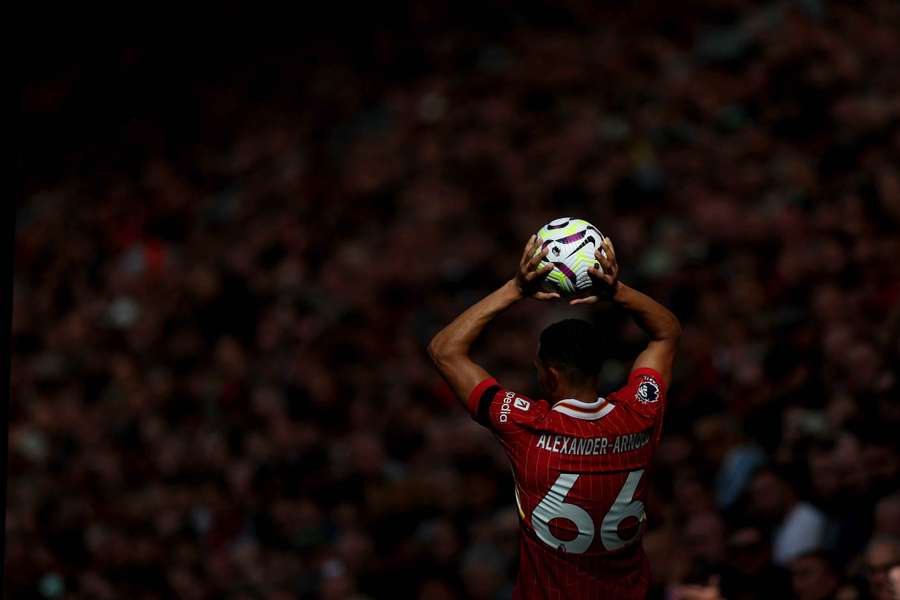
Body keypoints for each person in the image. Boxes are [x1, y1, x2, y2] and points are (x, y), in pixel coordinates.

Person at [428, 234, 681, 599]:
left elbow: (444, 349)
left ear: (550, 374)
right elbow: (666, 334)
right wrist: (618, 291)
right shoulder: (641, 413)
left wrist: (515, 289)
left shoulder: (524, 424)